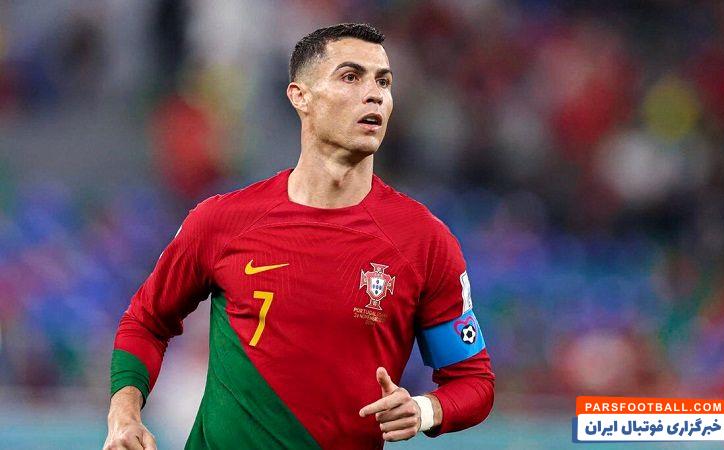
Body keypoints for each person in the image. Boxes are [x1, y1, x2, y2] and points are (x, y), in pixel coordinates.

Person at [103, 23, 494, 450]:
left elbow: (473, 380)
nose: (374, 94)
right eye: (351, 76)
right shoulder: (221, 221)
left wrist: (424, 410)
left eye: (383, 82)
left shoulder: (423, 241)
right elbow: (146, 321)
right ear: (300, 96)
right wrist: (124, 415)